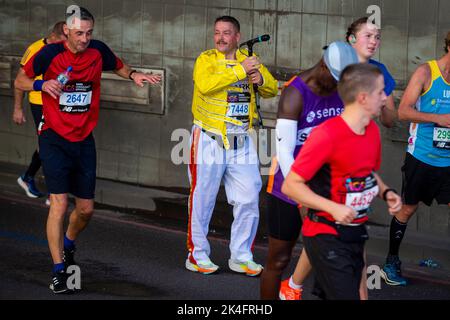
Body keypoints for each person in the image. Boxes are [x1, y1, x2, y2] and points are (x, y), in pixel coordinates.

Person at [15, 6, 161, 294]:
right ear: (66, 31)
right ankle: (59, 271)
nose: (85, 38)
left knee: (85, 210)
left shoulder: (97, 51)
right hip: (53, 137)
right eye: (79, 33)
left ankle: (68, 243)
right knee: (59, 203)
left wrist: (134, 76)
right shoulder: (49, 54)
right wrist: (43, 84)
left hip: (83, 140)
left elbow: (118, 65)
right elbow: (19, 80)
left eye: (89, 32)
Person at [281, 17, 400, 300]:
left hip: (354, 228)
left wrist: (386, 192)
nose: (386, 98)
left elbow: (366, 171)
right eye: (381, 93)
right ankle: (293, 287)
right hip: (325, 230)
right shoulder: (328, 133)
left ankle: (293, 288)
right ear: (360, 96)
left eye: (377, 36)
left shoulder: (369, 130)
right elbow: (291, 183)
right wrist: (331, 208)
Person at [261, 41, 359, 300]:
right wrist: (301, 194)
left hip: (328, 187)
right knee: (279, 259)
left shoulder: (343, 88)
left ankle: (294, 288)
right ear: (325, 65)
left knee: (331, 257)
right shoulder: (296, 92)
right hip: (289, 186)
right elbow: (283, 151)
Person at [186, 16, 278, 276]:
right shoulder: (206, 59)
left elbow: (272, 89)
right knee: (202, 199)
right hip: (208, 137)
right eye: (217, 32)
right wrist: (240, 70)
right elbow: (205, 85)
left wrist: (260, 79)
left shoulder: (249, 58)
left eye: (227, 33)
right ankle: (197, 255)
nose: (221, 37)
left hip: (241, 139)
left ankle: (241, 256)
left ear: (237, 36)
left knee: (249, 196)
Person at [380, 32, 450, 286]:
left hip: (449, 160)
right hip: (422, 157)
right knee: (407, 209)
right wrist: (438, 118)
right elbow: (403, 111)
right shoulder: (426, 72)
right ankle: (391, 262)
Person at [14, 21, 66, 204]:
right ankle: (54, 192)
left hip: (57, 102)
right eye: (64, 41)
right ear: (56, 37)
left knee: (48, 144)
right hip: (39, 102)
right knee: (51, 145)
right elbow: (20, 80)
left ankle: (28, 178)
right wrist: (18, 108)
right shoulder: (36, 49)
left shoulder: (63, 50)